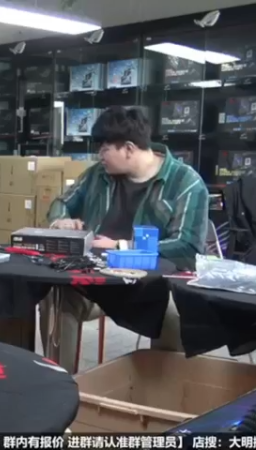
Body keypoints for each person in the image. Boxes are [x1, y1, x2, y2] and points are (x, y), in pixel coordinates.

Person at [40, 106, 209, 373]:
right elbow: (62, 202)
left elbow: (187, 248)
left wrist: (122, 247)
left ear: (129, 149)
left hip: (151, 286)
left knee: (177, 315)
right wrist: (61, 220)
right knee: (56, 295)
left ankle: (161, 391)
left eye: (105, 148)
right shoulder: (97, 174)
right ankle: (59, 381)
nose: (100, 155)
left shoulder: (185, 182)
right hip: (96, 279)